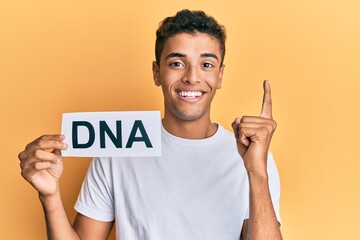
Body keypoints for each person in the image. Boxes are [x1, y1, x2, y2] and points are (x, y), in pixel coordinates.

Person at [19, 9, 282, 240]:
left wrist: (257, 173)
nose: (192, 77)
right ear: (157, 72)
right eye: (177, 63)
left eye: (206, 64)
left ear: (220, 75)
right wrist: (49, 196)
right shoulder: (117, 148)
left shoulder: (253, 159)